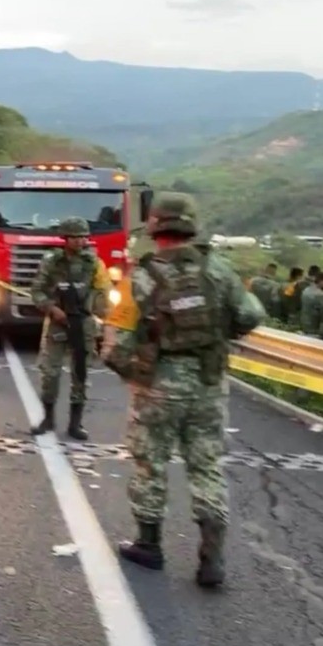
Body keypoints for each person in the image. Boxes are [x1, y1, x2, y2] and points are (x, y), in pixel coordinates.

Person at [101, 192, 264, 588]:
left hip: (156, 387)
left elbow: (114, 345)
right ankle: (212, 560)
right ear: (191, 225)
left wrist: (136, 376)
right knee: (206, 466)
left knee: (150, 464)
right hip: (208, 386)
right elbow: (250, 316)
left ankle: (149, 545)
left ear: (155, 226)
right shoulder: (220, 271)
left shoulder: (138, 278)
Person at [29, 217, 112, 440]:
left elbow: (104, 292)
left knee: (81, 374)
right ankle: (48, 419)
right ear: (65, 238)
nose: (80, 241)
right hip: (58, 321)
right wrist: (52, 309)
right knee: (50, 373)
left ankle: (76, 424)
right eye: (75, 237)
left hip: (83, 323)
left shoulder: (94, 263)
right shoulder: (52, 262)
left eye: (83, 236)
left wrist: (101, 318)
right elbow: (37, 291)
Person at [300, 270, 323, 335]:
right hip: (313, 328)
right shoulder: (321, 295)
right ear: (321, 281)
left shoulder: (307, 289)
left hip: (303, 324)